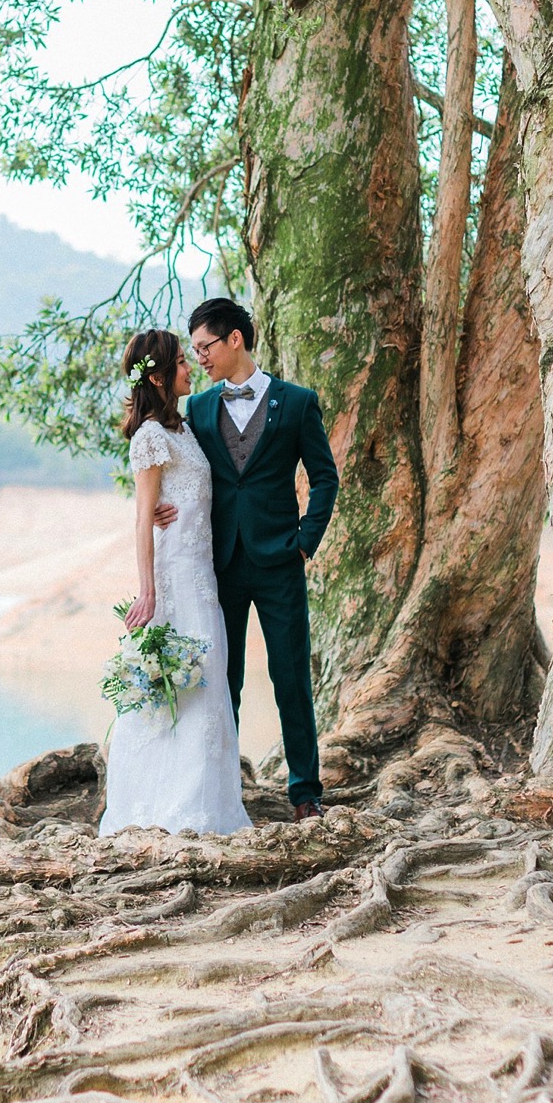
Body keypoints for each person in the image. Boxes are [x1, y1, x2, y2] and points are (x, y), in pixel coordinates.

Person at [179, 296, 339, 820]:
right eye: (194, 349)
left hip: (279, 562)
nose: (199, 357)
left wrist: (304, 539)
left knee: (290, 675)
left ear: (235, 340)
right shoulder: (198, 409)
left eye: (206, 347)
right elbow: (187, 475)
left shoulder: (296, 402)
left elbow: (324, 479)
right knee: (223, 681)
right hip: (219, 564)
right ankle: (223, 789)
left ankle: (305, 793)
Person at [98, 328, 251, 836]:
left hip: (201, 574)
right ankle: (160, 809)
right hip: (173, 579)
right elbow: (143, 518)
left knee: (208, 686)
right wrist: (148, 591)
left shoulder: (182, 430)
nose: (192, 368)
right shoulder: (150, 436)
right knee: (176, 692)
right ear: (161, 376)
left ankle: (209, 807)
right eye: (184, 362)